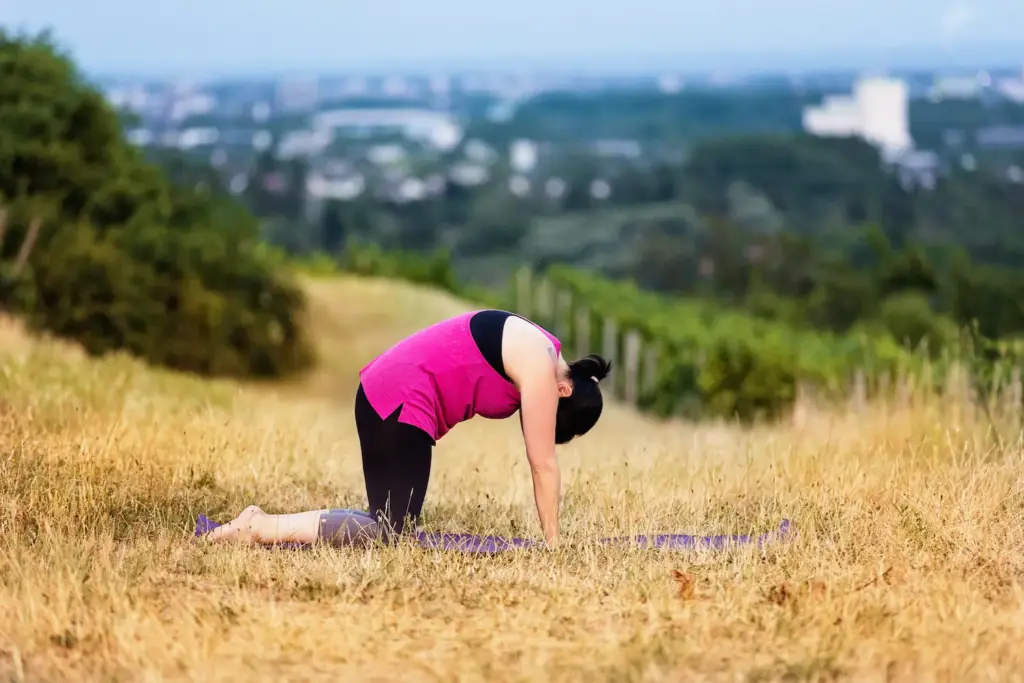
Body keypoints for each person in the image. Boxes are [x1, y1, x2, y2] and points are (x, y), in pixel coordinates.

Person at [203, 309, 612, 549]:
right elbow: (544, 464)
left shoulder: (542, 344)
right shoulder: (542, 368)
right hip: (399, 402)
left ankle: (262, 524)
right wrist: (553, 544)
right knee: (391, 533)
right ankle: (259, 526)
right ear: (563, 389)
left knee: (387, 524)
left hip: (386, 395)